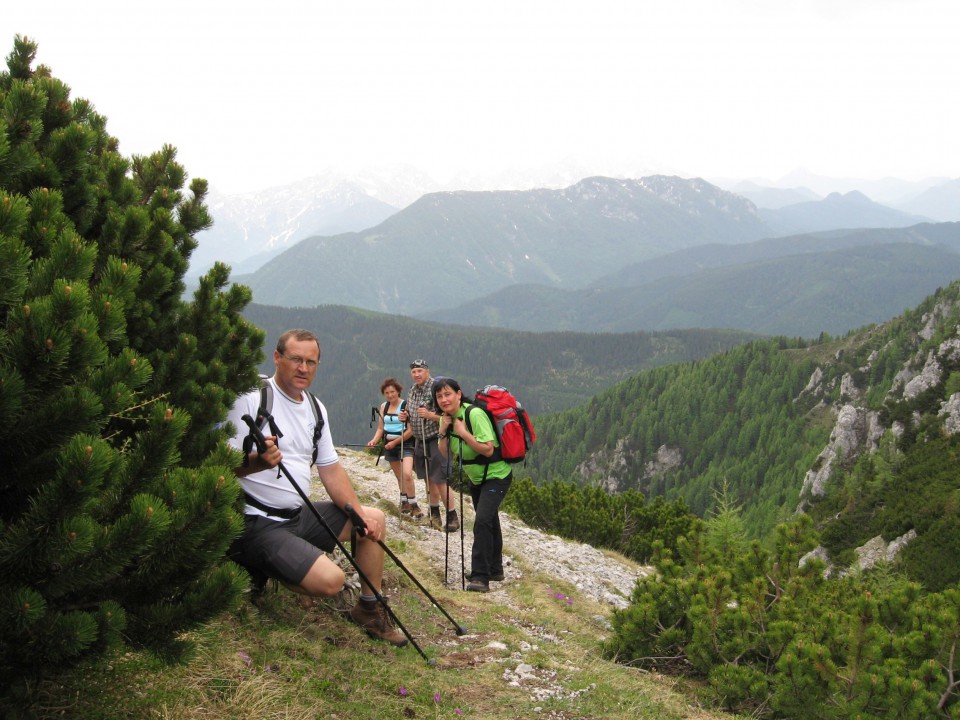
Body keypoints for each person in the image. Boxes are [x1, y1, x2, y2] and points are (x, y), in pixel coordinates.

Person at [226, 328, 407, 646]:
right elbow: (217, 463)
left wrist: (355, 512)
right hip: (257, 520)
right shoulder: (251, 398)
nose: (303, 368)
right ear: (277, 358)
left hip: (296, 515)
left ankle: (369, 610)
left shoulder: (314, 408)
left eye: (311, 362)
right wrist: (258, 463)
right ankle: (258, 566)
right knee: (332, 581)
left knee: (373, 519)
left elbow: (331, 469)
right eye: (295, 359)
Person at [434, 377, 512, 593]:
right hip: (477, 479)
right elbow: (445, 454)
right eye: (439, 396)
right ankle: (495, 569)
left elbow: (487, 449)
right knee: (490, 520)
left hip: (496, 475)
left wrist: (463, 433)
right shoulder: (448, 419)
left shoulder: (473, 414)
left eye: (448, 394)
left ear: (459, 394)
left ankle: (480, 577)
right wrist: (443, 431)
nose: (443, 399)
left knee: (482, 521)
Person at [398, 359, 460, 532]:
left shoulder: (436, 388)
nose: (416, 374)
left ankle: (452, 516)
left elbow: (447, 416)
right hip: (420, 440)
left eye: (420, 371)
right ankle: (434, 514)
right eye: (414, 371)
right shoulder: (413, 390)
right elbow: (413, 412)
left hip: (436, 439)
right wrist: (406, 416)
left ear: (427, 371)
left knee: (440, 479)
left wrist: (430, 415)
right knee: (428, 478)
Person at [367, 377, 423, 519]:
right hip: (389, 444)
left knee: (407, 474)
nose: (390, 395)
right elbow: (381, 428)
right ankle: (404, 501)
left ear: (398, 391)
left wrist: (396, 442)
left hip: (405, 444)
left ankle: (414, 505)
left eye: (392, 392)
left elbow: (410, 430)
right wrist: (374, 440)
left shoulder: (406, 406)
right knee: (399, 476)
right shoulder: (383, 407)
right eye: (387, 392)